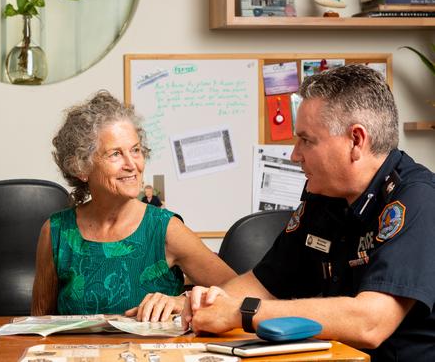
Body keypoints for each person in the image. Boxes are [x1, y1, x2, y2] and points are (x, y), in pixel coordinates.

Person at [183, 64, 435, 361]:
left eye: (306, 140)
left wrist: (243, 313)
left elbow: (371, 323)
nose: (294, 155)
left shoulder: (418, 200)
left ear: (356, 140)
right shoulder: (326, 195)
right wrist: (199, 304)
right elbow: (264, 283)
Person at [32, 90, 236, 321]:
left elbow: (239, 294)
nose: (132, 164)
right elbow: (39, 321)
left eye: (136, 150)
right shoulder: (56, 231)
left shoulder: (165, 229)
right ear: (81, 168)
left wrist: (182, 301)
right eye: (115, 154)